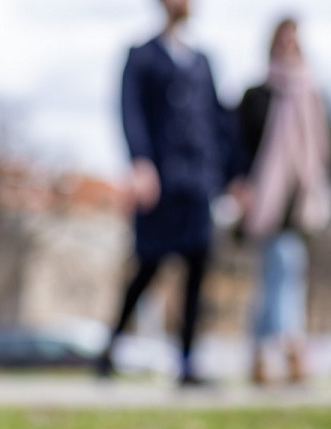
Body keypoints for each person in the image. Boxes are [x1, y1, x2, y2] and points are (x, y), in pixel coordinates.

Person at [98, 0, 236, 386]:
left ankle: (188, 362)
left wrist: (233, 175)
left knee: (198, 268)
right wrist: (140, 161)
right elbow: (130, 110)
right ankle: (110, 350)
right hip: (159, 182)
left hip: (198, 182)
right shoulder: (142, 56)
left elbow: (217, 119)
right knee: (147, 267)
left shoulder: (203, 60)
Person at [235, 17, 331, 383]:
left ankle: (262, 353)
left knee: (280, 272)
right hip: (265, 199)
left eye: (293, 41)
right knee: (282, 269)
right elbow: (238, 146)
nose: (288, 47)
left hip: (300, 200)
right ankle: (290, 346)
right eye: (282, 40)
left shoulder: (312, 96)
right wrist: (237, 184)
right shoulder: (256, 96)